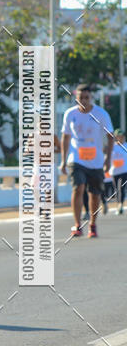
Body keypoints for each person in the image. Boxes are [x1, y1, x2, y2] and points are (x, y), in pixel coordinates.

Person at [60, 84, 113, 238]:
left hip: (96, 161)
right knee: (78, 188)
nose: (83, 100)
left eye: (86, 98)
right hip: (76, 159)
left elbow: (110, 137)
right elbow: (65, 137)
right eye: (80, 98)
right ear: (76, 98)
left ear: (91, 98)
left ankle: (92, 224)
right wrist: (63, 160)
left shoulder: (101, 114)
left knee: (94, 194)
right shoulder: (70, 114)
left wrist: (108, 159)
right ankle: (77, 225)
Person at [110, 129, 127, 214]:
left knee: (121, 188)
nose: (121, 138)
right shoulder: (112, 147)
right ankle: (118, 204)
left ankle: (120, 204)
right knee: (116, 189)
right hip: (114, 171)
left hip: (124, 171)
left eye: (122, 136)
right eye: (119, 136)